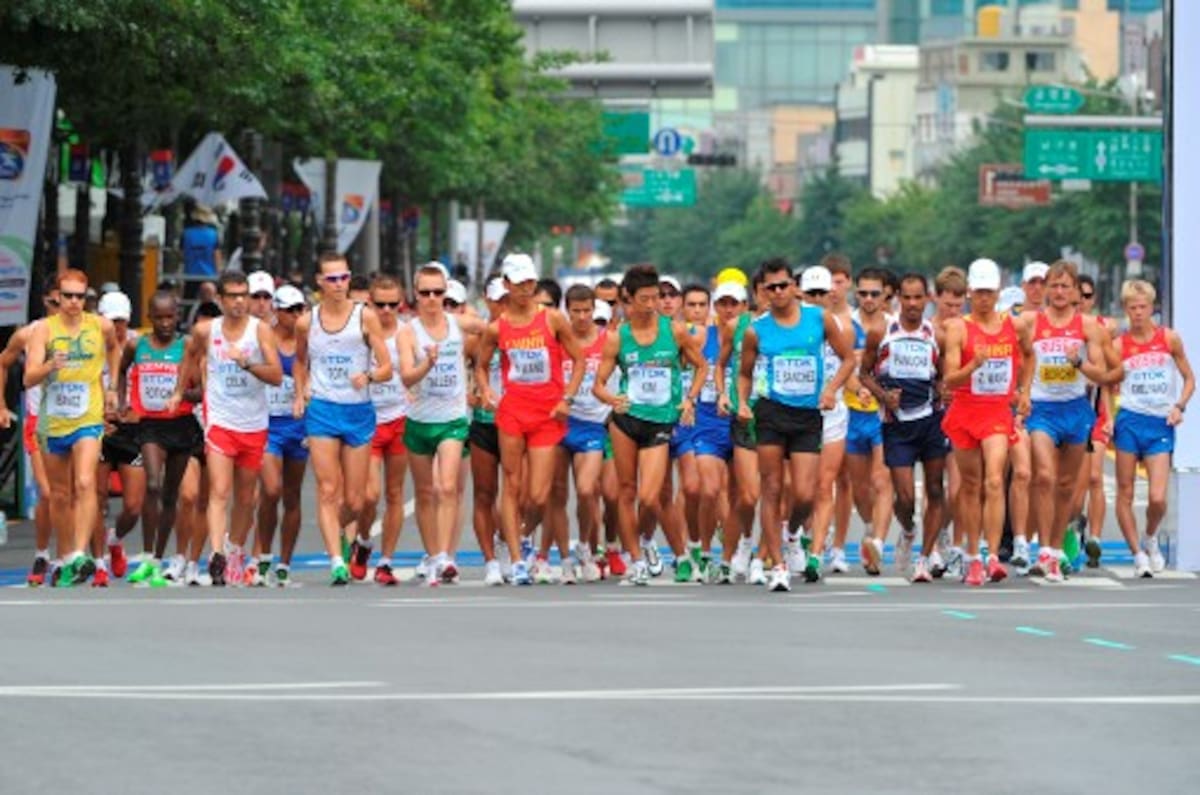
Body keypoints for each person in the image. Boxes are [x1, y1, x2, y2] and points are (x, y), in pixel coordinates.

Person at [736, 258, 854, 590]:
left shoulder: (819, 319)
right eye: (770, 287)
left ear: (794, 286)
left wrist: (831, 389)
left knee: (804, 494)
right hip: (771, 412)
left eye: (783, 285)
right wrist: (743, 403)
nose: (778, 292)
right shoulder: (756, 330)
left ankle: (791, 532)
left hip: (807, 415)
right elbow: (745, 374)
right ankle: (779, 566)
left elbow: (848, 358)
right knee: (771, 489)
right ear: (763, 291)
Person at [593, 264, 708, 585]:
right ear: (627, 298)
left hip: (660, 421)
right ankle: (636, 562)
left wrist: (689, 399)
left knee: (651, 496)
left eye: (655, 297)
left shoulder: (674, 331)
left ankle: (681, 555)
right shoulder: (617, 338)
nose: (651, 304)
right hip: (626, 421)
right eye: (644, 298)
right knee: (624, 493)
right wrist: (610, 399)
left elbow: (701, 366)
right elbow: (598, 384)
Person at [476, 255, 586, 585]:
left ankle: (522, 536)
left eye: (529, 283)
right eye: (518, 282)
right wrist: (485, 391)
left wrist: (567, 397)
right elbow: (481, 365)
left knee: (538, 495)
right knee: (511, 485)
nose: (524, 289)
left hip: (547, 414)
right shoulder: (497, 328)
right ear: (506, 284)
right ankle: (516, 559)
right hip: (512, 412)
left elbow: (578, 360)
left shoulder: (553, 320)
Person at [172, 270, 282, 586]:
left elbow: (276, 375)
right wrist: (180, 391)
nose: (239, 302)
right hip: (220, 421)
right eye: (232, 296)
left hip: (253, 423)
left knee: (246, 497)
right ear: (219, 300)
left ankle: (235, 550)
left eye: (242, 295)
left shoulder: (260, 331)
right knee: (219, 491)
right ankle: (217, 554)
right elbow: (190, 358)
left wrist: (246, 363)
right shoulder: (206, 330)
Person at [294, 253, 392, 585]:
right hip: (322, 409)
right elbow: (299, 360)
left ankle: (339, 536)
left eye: (344, 277)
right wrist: (299, 392)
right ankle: (337, 560)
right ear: (319, 283)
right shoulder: (307, 322)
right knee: (327, 489)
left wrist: (371, 376)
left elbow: (387, 365)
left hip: (358, 411)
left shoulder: (365, 317)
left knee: (357, 498)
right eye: (332, 279)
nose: (339, 285)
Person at [24, 269, 122, 587]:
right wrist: (50, 365)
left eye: (80, 296)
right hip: (53, 420)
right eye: (68, 296)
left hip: (88, 419)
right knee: (59, 495)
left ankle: (80, 552)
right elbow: (28, 378)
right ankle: (66, 558)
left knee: (84, 482)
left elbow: (115, 348)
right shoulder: (43, 331)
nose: (74, 302)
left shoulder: (100, 325)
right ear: (57, 297)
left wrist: (112, 386)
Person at [1018, 260, 1113, 582]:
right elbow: (1011, 355)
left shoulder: (1088, 327)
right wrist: (1021, 393)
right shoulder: (1031, 323)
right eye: (1054, 286)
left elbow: (1101, 374)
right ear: (1045, 290)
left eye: (1065, 286)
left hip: (1076, 410)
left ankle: (1056, 550)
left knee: (1067, 488)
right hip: (1042, 411)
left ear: (1075, 291)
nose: (1059, 292)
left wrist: (1080, 363)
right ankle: (1043, 549)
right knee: (1043, 476)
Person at [399, 263, 486, 584]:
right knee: (424, 493)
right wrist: (427, 364)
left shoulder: (457, 323)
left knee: (446, 487)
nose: (433, 299)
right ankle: (434, 555)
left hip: (452, 419)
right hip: (420, 421)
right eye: (426, 293)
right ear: (415, 295)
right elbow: (407, 376)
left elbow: (489, 328)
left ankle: (448, 556)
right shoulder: (408, 332)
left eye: (439, 292)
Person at [940, 259, 1024, 586]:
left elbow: (1029, 354)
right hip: (965, 411)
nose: (985, 299)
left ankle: (992, 555)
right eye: (979, 292)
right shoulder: (958, 328)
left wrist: (1024, 391)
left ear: (998, 293)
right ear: (970, 292)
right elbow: (949, 379)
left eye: (990, 292)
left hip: (996, 413)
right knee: (970, 486)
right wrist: (972, 365)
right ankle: (973, 555)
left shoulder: (1013, 325)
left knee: (994, 481)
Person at [861, 273, 949, 583]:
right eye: (907, 298)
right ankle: (909, 530)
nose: (913, 304)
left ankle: (924, 558)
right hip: (896, 423)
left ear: (927, 299)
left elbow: (942, 376)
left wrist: (943, 389)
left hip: (931, 419)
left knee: (936, 488)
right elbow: (864, 374)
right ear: (898, 298)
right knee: (905, 497)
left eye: (918, 298)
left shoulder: (936, 334)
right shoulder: (881, 332)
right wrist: (884, 396)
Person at [118, 292, 204, 586]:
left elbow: (201, 391)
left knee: (170, 495)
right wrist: (120, 401)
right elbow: (120, 370)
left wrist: (181, 396)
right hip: (151, 427)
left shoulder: (187, 346)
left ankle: (157, 557)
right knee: (152, 485)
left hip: (181, 425)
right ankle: (145, 554)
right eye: (160, 317)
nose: (166, 323)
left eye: (171, 317)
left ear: (177, 316)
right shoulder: (136, 345)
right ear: (150, 317)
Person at [1111, 279, 1194, 577]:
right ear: (1125, 309)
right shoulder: (1119, 345)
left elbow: (1189, 379)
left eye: (1143, 307)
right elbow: (1108, 383)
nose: (1138, 313)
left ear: (1152, 307)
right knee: (1125, 492)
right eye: (1132, 307)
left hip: (1160, 422)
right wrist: (1109, 416)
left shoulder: (1169, 339)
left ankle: (1150, 536)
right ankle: (1137, 555)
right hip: (1130, 421)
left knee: (1158, 497)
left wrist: (1179, 406)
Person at [544, 284, 612, 583]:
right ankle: (564, 558)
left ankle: (584, 545)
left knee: (587, 491)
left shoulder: (608, 340)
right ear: (566, 310)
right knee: (556, 494)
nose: (583, 317)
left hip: (593, 425)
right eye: (576, 311)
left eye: (587, 311)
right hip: (560, 424)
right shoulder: (557, 340)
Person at [0, 285, 61, 585]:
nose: (60, 305)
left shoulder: (85, 329)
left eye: (66, 299)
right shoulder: (29, 333)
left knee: (73, 491)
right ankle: (42, 553)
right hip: (39, 422)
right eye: (53, 300)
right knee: (48, 493)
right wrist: (1, 405)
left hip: (74, 418)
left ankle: (69, 555)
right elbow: (3, 361)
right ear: (45, 300)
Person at [801, 259, 857, 579]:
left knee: (824, 487)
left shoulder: (843, 327)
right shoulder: (789, 327)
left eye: (823, 292)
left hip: (832, 414)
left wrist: (835, 389)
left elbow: (848, 363)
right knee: (800, 489)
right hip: (796, 413)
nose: (819, 298)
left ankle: (815, 554)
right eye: (812, 293)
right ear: (801, 293)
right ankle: (796, 536)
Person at [253, 285, 309, 587]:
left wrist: (307, 394)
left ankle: (284, 563)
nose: (296, 315)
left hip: (297, 427)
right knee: (271, 490)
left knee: (292, 496)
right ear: (277, 311)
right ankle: (262, 556)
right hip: (268, 426)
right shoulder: (264, 338)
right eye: (290, 310)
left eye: (300, 309)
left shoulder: (307, 341)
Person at [356, 275, 410, 585]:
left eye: (394, 304)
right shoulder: (359, 333)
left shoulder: (405, 333)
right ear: (369, 304)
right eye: (381, 305)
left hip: (400, 419)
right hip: (369, 420)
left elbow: (408, 364)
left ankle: (386, 561)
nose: (387, 310)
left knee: (394, 493)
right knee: (369, 495)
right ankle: (363, 542)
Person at [838, 267, 893, 576]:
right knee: (859, 487)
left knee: (881, 481)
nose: (870, 299)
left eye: (875, 293)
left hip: (882, 416)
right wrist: (853, 386)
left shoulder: (894, 326)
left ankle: (879, 542)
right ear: (856, 294)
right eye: (864, 293)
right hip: (852, 414)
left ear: (885, 294)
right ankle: (871, 527)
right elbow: (840, 367)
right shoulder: (845, 327)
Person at [95, 291, 145, 586]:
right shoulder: (89, 343)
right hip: (98, 429)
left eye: (122, 321)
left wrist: (136, 413)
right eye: (112, 321)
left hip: (130, 430)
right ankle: (99, 560)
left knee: (133, 506)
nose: (117, 328)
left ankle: (114, 540)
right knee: (96, 499)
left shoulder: (139, 344)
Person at [465, 275, 509, 585]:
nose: (504, 305)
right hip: (483, 423)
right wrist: (472, 395)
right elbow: (458, 376)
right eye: (498, 300)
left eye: (508, 299)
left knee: (522, 494)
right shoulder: (476, 339)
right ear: (488, 300)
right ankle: (491, 560)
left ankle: (510, 544)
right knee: (484, 493)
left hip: (517, 424)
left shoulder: (527, 334)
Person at [181, 204, 222, 298]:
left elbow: (182, 255)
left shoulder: (186, 234)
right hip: (209, 275)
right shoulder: (213, 234)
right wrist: (218, 273)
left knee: (189, 301)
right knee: (209, 303)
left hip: (190, 274)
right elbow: (217, 256)